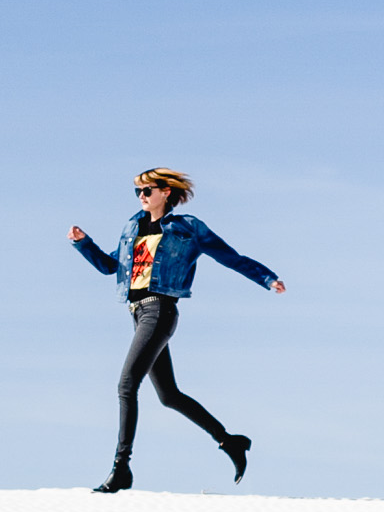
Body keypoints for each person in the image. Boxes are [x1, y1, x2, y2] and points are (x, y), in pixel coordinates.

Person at [68, 168, 285, 493]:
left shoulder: (187, 229)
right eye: (137, 191)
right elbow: (110, 267)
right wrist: (84, 244)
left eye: (148, 190)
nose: (142, 196)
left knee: (127, 385)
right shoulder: (133, 227)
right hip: (138, 313)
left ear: (166, 192)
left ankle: (121, 468)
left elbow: (232, 258)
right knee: (168, 396)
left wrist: (266, 278)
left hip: (160, 310)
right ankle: (230, 441)